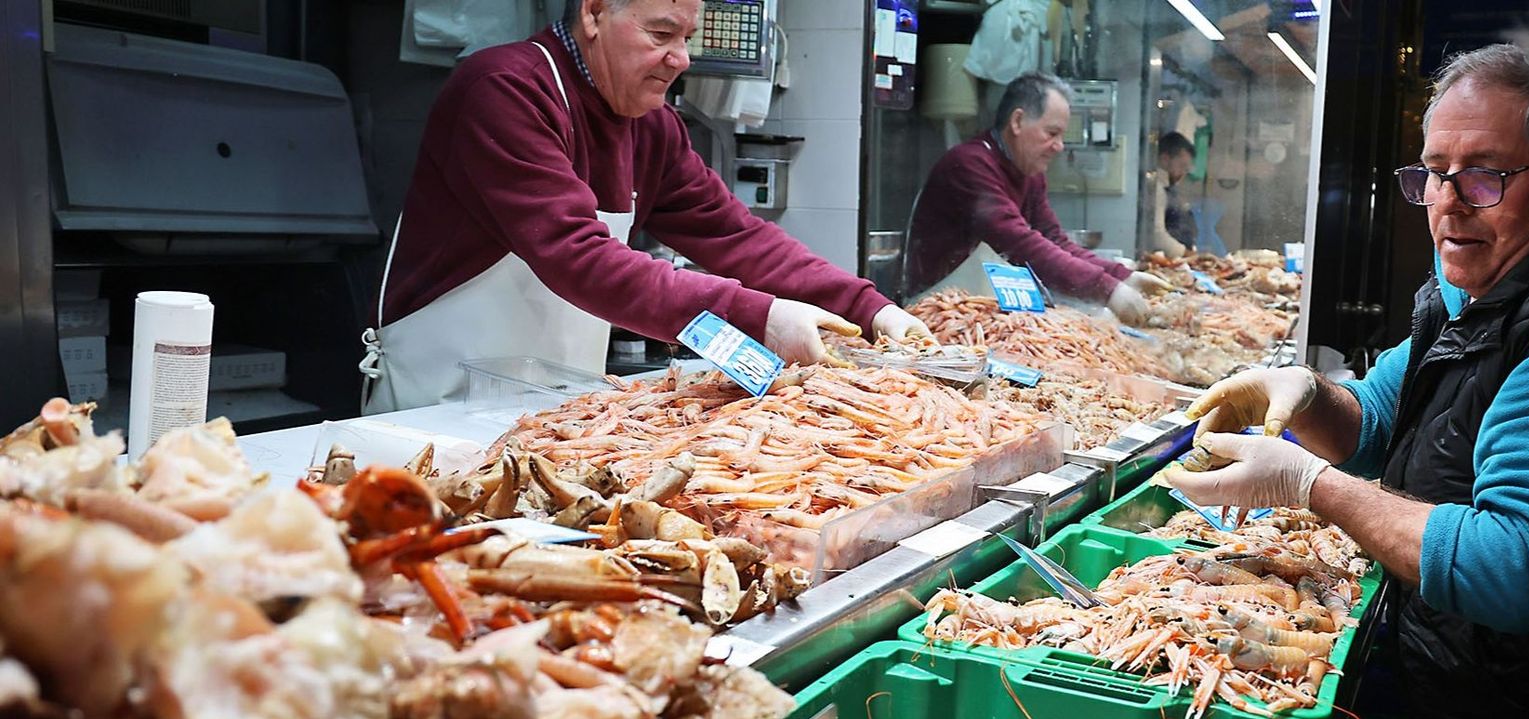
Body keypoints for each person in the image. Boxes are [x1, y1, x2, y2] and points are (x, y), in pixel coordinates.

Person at [1167, 45, 1529, 719]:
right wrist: (1303, 395)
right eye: (1434, 173)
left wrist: (1307, 486)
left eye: (1484, 178)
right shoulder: (1476, 288)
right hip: (1459, 710)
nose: (1445, 205)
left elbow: (1518, 568)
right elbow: (1376, 416)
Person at [360, 0, 930, 413]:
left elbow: (738, 237)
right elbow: (577, 256)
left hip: (556, 412)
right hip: (437, 409)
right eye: (661, 33)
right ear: (593, 12)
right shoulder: (503, 89)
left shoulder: (651, 125)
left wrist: (872, 311)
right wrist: (762, 317)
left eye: (687, 36)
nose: (680, 58)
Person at [903, 72, 1171, 325]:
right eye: (1052, 133)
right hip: (937, 311)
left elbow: (1054, 240)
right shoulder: (969, 165)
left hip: (981, 308)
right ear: (1017, 121)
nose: (1060, 146)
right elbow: (1023, 245)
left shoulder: (1028, 172)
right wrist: (1107, 289)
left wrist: (1122, 276)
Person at [1149, 131, 1197, 256]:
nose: (1183, 174)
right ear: (1164, 159)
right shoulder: (1157, 189)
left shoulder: (1170, 188)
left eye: (1186, 169)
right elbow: (1157, 235)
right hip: (1165, 259)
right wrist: (1186, 254)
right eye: (1181, 166)